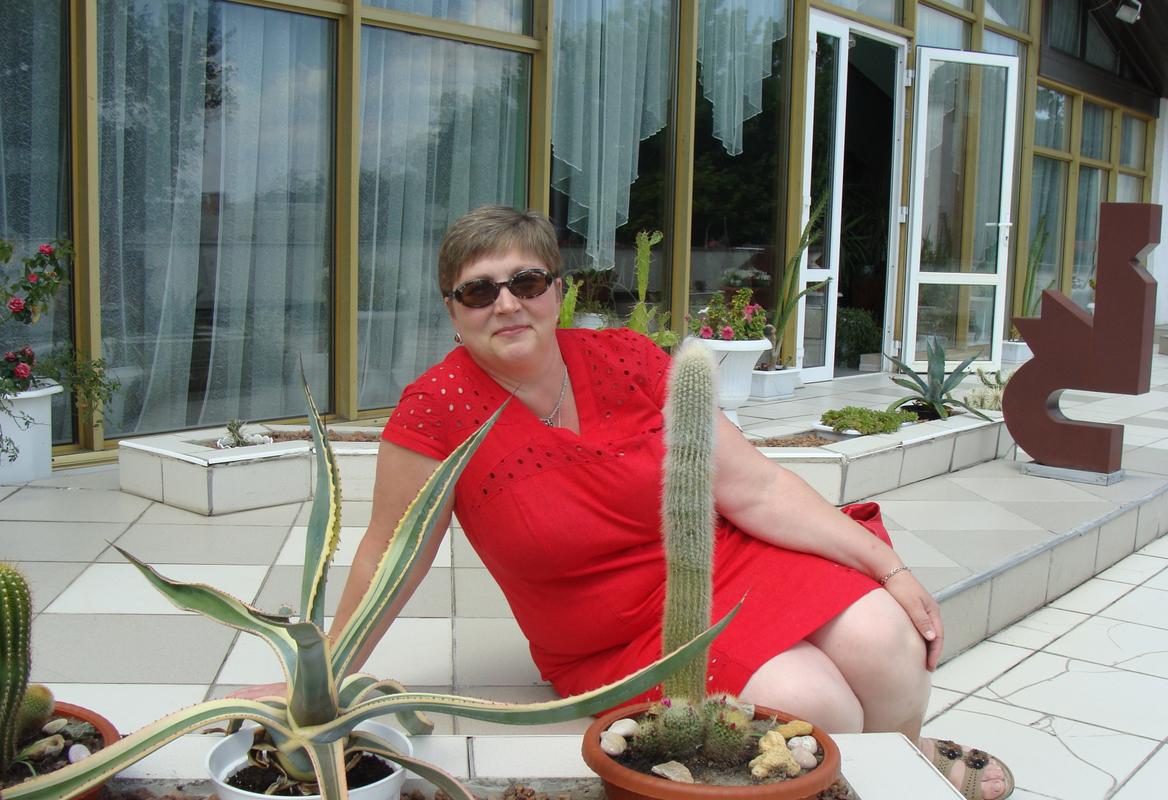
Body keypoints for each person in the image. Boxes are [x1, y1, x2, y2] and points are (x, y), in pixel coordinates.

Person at [246, 206, 1014, 800]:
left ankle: (902, 766)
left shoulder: (627, 359)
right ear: (453, 310)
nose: (506, 304)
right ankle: (844, 785)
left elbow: (754, 486)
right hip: (614, 634)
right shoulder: (437, 410)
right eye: (479, 291)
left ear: (557, 290)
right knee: (810, 700)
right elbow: (393, 555)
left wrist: (888, 566)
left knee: (886, 636)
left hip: (725, 564)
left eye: (527, 283)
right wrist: (323, 674)